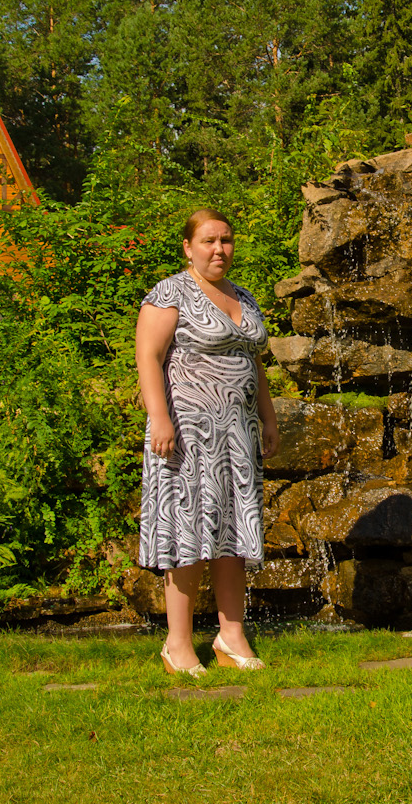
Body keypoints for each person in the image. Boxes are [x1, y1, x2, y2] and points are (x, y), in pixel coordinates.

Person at [135, 208, 279, 676]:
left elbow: (252, 361)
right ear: (189, 248)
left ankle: (230, 636)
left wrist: (269, 418)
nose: (219, 249)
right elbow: (148, 355)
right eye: (209, 241)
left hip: (238, 437)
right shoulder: (171, 292)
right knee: (187, 535)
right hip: (186, 436)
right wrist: (159, 417)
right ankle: (177, 645)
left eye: (227, 240)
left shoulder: (245, 297)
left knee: (234, 534)